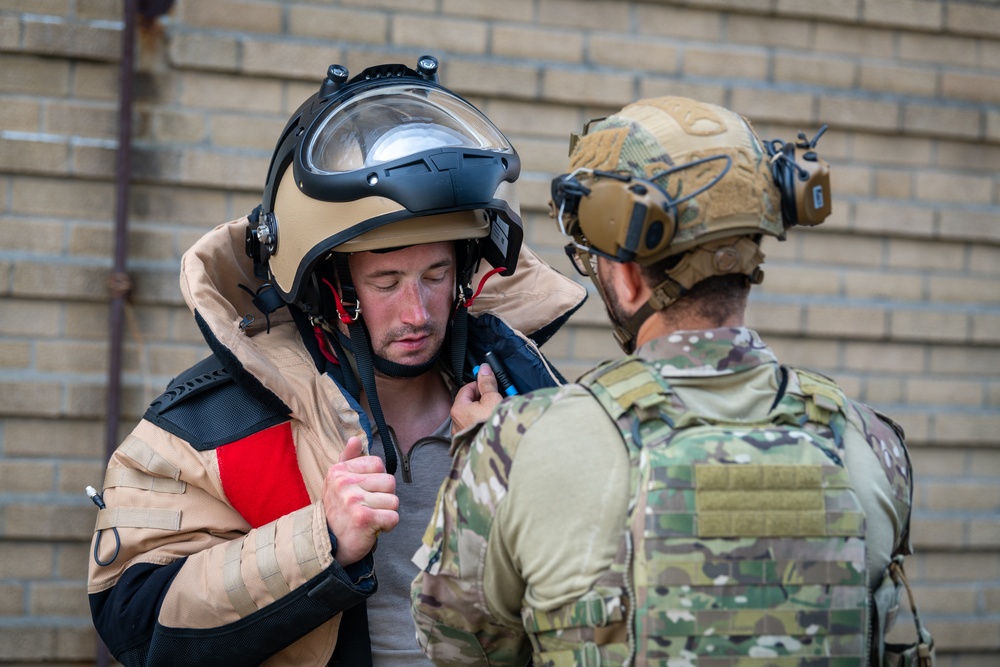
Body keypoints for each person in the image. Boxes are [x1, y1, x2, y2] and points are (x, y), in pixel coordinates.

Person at [86, 56, 586, 666]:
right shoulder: (208, 429)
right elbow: (135, 626)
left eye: (435, 274)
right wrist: (321, 540)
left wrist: (509, 475)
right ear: (326, 285)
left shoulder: (524, 394)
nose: (417, 312)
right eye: (385, 281)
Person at [411, 96, 933, 665]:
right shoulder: (871, 443)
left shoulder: (517, 448)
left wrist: (485, 451)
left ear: (630, 279)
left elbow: (458, 647)